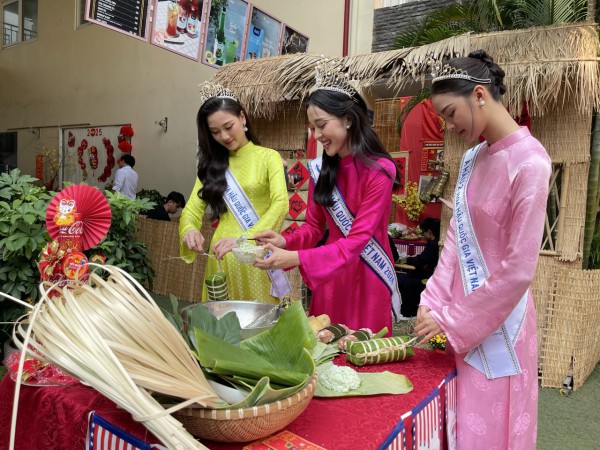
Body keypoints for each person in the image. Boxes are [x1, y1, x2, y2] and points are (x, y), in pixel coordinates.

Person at [414, 50, 551, 449]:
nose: (448, 125)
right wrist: (432, 301)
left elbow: (518, 270)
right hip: (458, 320)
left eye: (450, 113)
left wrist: (453, 320)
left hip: (500, 328)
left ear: (478, 94)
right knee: (459, 426)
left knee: (493, 433)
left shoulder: (530, 163)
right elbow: (457, 236)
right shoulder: (474, 158)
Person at [252, 62, 401, 334]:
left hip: (368, 275)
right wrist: (284, 240)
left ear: (348, 118)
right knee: (324, 351)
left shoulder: (380, 170)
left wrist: (296, 258)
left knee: (362, 356)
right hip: (331, 277)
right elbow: (312, 228)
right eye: (312, 128)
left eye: (321, 125)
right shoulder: (324, 171)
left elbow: (357, 240)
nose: (317, 135)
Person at [179, 82, 289, 303]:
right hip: (222, 257)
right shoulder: (212, 166)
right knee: (223, 326)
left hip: (256, 254)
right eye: (215, 132)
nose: (224, 136)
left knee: (262, 325)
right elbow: (191, 210)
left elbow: (281, 203)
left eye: (229, 126)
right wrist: (189, 229)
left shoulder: (269, 157)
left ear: (242, 118)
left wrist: (243, 240)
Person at [397, 217, 440, 318]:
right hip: (429, 274)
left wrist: (408, 260)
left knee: (406, 282)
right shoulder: (435, 242)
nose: (422, 236)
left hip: (430, 279)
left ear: (429, 232)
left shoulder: (434, 245)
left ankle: (408, 313)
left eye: (423, 233)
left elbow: (421, 261)